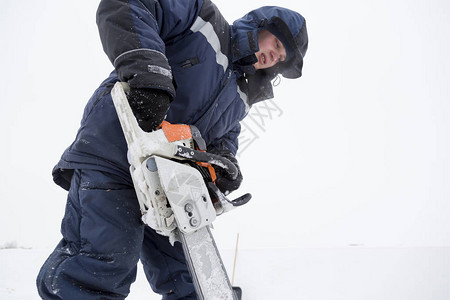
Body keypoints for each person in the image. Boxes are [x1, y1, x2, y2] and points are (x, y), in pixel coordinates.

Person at [36, 0, 308, 299]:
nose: (273, 56)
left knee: (195, 277)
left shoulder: (240, 97)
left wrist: (223, 164)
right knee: (104, 262)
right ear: (262, 25)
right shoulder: (203, 21)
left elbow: (224, 139)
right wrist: (148, 73)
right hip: (116, 156)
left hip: (170, 188)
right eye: (277, 44)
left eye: (280, 58)